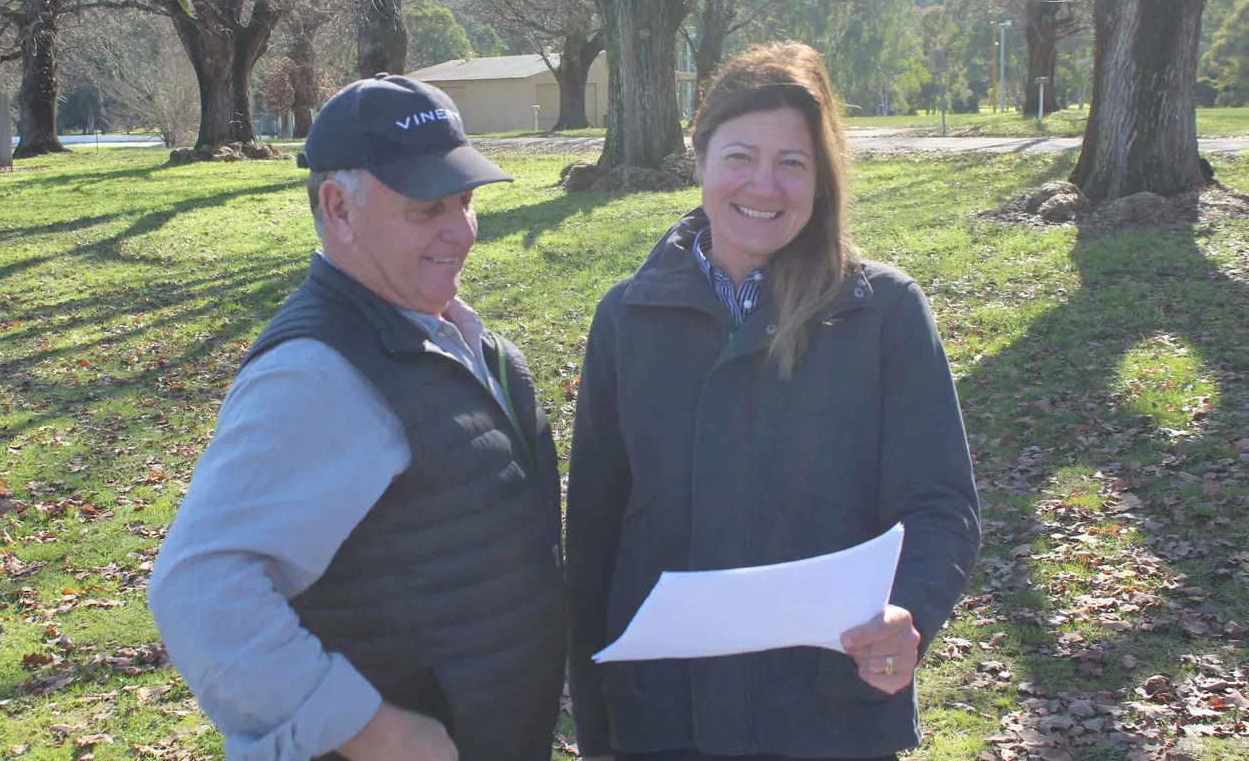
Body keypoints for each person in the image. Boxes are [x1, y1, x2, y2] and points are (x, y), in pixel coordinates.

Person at [566, 42, 980, 761]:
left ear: (821, 179)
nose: (763, 184)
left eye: (792, 162)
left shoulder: (880, 312)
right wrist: (601, 729)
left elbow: (940, 505)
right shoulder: (627, 317)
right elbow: (594, 534)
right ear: (699, 160)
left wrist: (907, 612)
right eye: (739, 156)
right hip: (665, 721)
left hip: (828, 717)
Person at [149, 74, 566, 761]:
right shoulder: (318, 372)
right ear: (337, 207)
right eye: (428, 207)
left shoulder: (462, 342)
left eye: (464, 200)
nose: (460, 230)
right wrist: (372, 731)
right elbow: (200, 590)